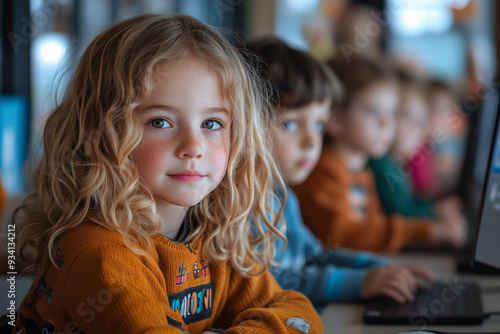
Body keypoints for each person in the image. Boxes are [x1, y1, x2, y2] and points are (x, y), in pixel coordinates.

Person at [13, 15, 322, 334]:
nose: (193, 147)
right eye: (160, 122)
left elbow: (299, 314)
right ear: (100, 134)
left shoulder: (213, 240)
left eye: (211, 124)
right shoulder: (100, 253)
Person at [243, 37, 435, 306]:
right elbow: (271, 282)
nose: (312, 142)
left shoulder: (280, 194)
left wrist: (378, 268)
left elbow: (317, 257)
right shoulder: (244, 204)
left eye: (318, 126)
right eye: (289, 125)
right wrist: (361, 282)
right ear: (244, 124)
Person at [293, 53, 466, 252]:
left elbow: (373, 230)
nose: (386, 124)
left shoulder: (360, 173)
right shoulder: (326, 170)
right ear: (336, 119)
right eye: (373, 112)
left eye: (391, 112)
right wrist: (428, 230)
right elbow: (345, 237)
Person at [368, 69, 465, 224]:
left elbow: (410, 203)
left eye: (421, 123)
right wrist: (436, 211)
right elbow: (402, 214)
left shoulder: (394, 164)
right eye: (411, 119)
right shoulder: (381, 165)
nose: (421, 131)